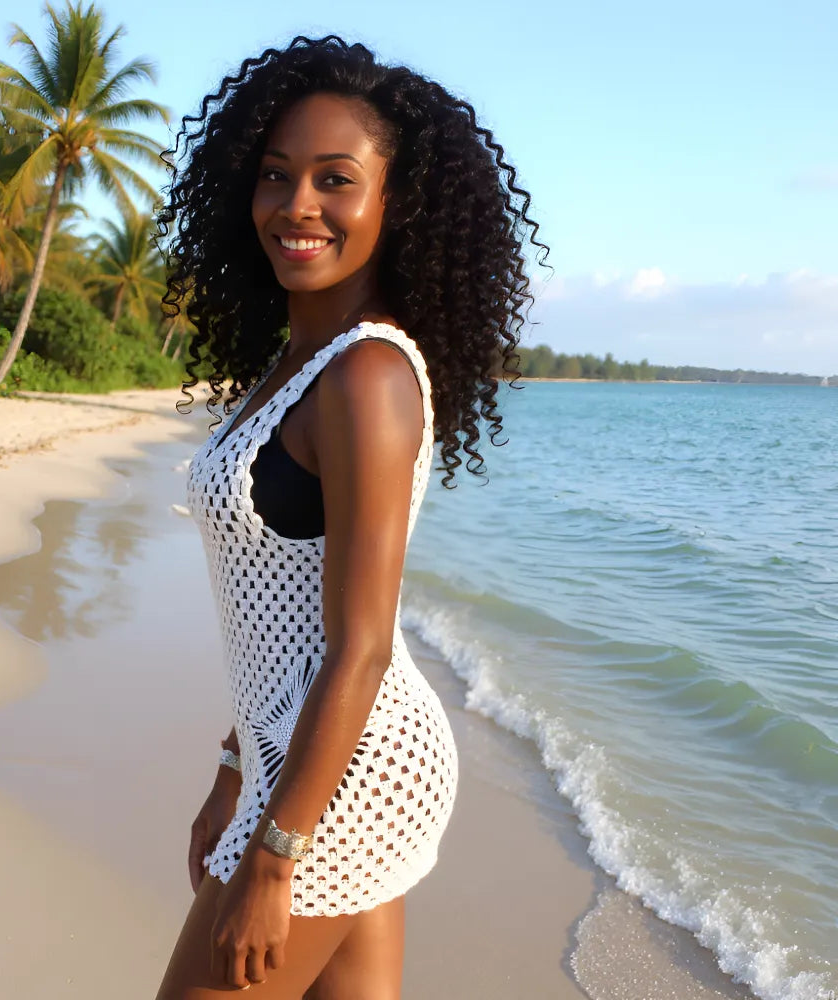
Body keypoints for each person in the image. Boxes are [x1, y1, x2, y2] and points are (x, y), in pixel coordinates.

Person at [154, 35, 546, 999]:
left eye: (337, 179)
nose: (298, 206)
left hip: (348, 774)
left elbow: (359, 645)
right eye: (276, 175)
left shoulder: (367, 374)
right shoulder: (296, 368)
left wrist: (273, 857)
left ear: (394, 204)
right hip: (315, 755)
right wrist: (231, 769)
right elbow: (277, 625)